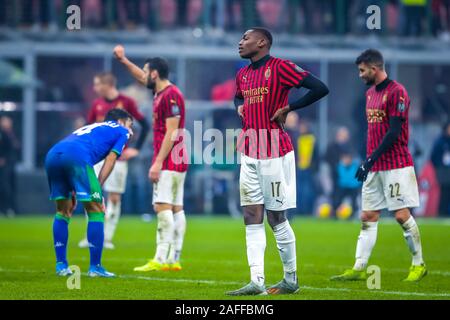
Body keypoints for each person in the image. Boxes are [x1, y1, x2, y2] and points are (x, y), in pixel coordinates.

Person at [227, 27, 329, 295]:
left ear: (262, 43)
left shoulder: (281, 67)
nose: (240, 42)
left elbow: (320, 87)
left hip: (274, 148)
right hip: (250, 150)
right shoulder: (243, 73)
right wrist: (238, 105)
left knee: (276, 216)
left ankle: (291, 279)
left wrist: (290, 107)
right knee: (250, 214)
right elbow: (237, 95)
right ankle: (256, 281)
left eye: (245, 38)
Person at [331, 49, 427, 282]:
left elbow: (394, 132)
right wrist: (367, 160)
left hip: (396, 165)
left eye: (362, 70)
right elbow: (373, 131)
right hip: (374, 165)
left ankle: (419, 264)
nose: (360, 75)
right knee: (368, 215)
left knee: (401, 215)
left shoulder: (397, 92)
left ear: (374, 68)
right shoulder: (370, 93)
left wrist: (370, 160)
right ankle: (359, 267)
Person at [114, 45, 188, 272]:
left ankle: (160, 258)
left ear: (155, 73)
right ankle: (173, 259)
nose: (144, 75)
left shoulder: (171, 96)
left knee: (162, 206)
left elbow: (172, 132)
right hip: (177, 160)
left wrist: (157, 162)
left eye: (147, 72)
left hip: (169, 160)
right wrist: (124, 60)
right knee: (176, 208)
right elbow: (139, 77)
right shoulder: (161, 92)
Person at [45, 108, 133, 277]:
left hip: (53, 155)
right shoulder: (121, 131)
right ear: (121, 121)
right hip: (76, 157)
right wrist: (98, 186)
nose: (131, 130)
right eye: (130, 124)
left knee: (63, 211)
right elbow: (111, 158)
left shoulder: (95, 126)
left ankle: (61, 266)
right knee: (96, 210)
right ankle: (95, 267)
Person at [78, 72, 149, 250]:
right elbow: (88, 129)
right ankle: (90, 236)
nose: (94, 88)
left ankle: (107, 238)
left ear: (107, 84)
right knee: (93, 195)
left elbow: (145, 124)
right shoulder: (97, 105)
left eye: (97, 84)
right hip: (97, 157)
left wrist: (136, 149)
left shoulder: (127, 102)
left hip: (118, 158)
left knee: (114, 198)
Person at [430, 121, 450, 216]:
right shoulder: (440, 141)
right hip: (443, 170)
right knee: (444, 192)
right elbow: (433, 156)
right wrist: (439, 166)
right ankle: (442, 212)